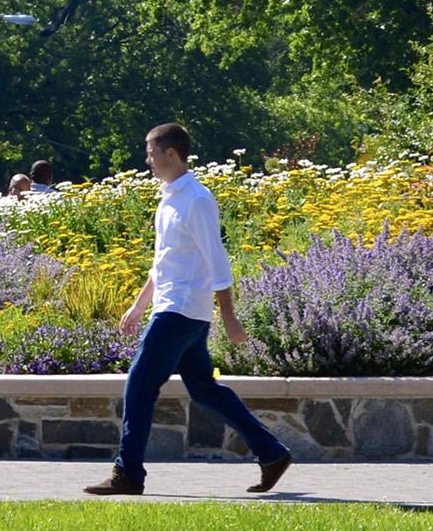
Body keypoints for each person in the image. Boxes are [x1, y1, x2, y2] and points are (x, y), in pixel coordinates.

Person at [84, 123, 291, 497]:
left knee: (139, 385)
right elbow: (164, 262)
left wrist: (230, 317)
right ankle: (272, 453)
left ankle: (127, 473)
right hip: (177, 309)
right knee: (205, 390)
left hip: (180, 312)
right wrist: (138, 305)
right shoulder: (169, 197)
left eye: (151, 153)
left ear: (171, 155)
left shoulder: (196, 199)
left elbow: (218, 260)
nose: (147, 160)